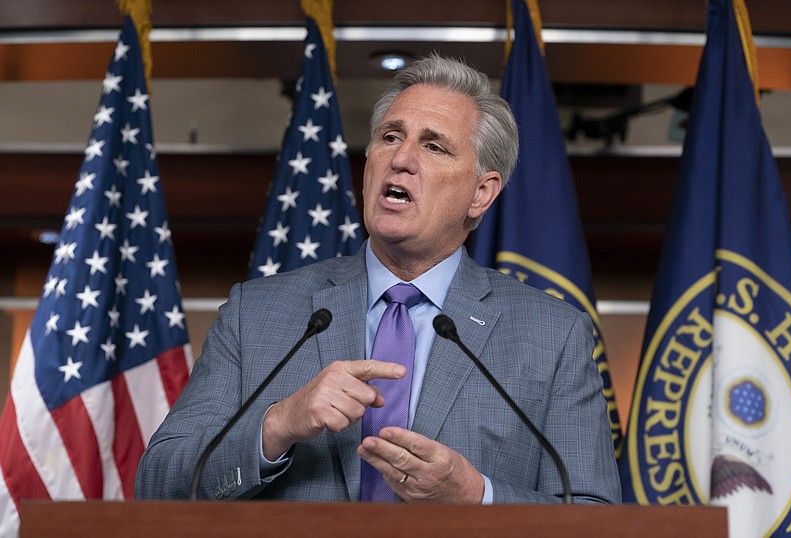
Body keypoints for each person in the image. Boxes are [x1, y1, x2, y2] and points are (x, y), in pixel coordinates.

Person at [135, 53, 621, 504]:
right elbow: (158, 483)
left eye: (433, 146)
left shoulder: (553, 335)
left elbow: (595, 515)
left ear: (481, 194)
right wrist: (278, 424)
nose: (402, 158)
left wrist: (476, 496)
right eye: (391, 136)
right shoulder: (255, 313)